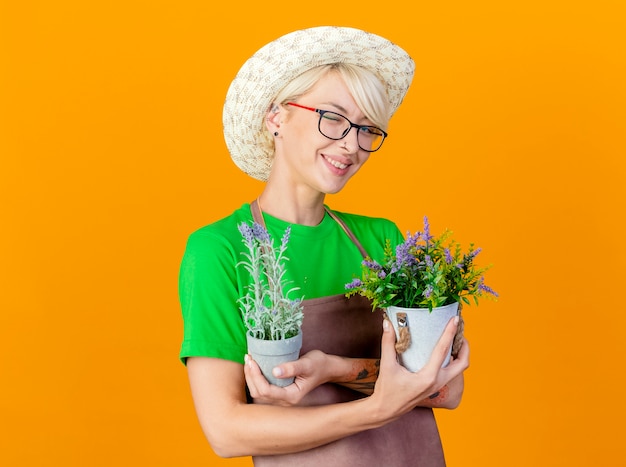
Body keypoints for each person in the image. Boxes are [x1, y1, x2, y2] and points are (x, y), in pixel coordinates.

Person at [179, 26, 469, 466]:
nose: (352, 145)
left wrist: (334, 369)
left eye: (367, 129)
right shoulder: (218, 250)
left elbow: (447, 390)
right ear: (276, 116)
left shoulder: (385, 242)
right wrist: (376, 408)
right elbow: (226, 432)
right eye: (332, 118)